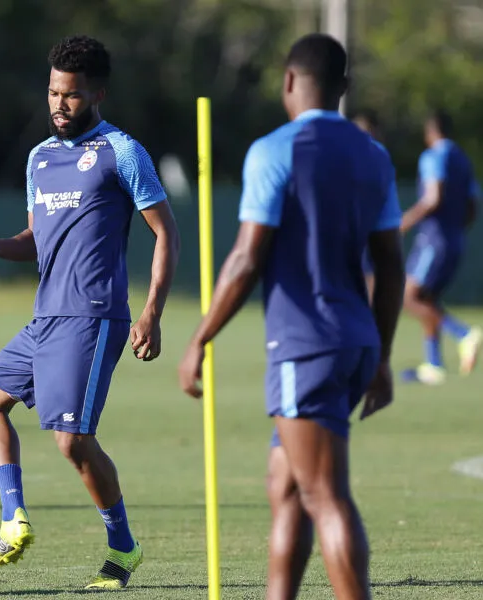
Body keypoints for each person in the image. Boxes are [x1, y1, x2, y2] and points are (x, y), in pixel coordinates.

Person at [178, 34, 405, 600]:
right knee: (287, 487)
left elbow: (246, 258)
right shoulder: (373, 156)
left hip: (305, 347)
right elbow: (392, 269)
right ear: (344, 89)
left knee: (325, 494)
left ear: (286, 82)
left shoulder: (274, 150)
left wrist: (199, 338)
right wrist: (381, 354)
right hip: (355, 344)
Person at [0, 35, 180, 590]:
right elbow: (37, 239)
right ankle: (14, 519)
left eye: (73, 96)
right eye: (54, 93)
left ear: (98, 94)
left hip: (93, 315)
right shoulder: (40, 157)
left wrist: (152, 311)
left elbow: (167, 234)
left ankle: (123, 548)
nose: (60, 104)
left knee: (71, 440)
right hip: (46, 317)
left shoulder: (122, 152)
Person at [399, 109, 482, 385]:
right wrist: (457, 229)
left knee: (408, 297)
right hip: (455, 238)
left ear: (430, 132)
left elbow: (433, 198)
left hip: (434, 239)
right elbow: (472, 205)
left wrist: (404, 223)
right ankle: (433, 364)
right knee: (428, 299)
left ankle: (464, 334)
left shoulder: (435, 156)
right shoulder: (462, 159)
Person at [352, 109, 383, 297]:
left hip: (367, 223)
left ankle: (371, 316)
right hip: (352, 223)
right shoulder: (352, 154)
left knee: (369, 271)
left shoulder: (376, 156)